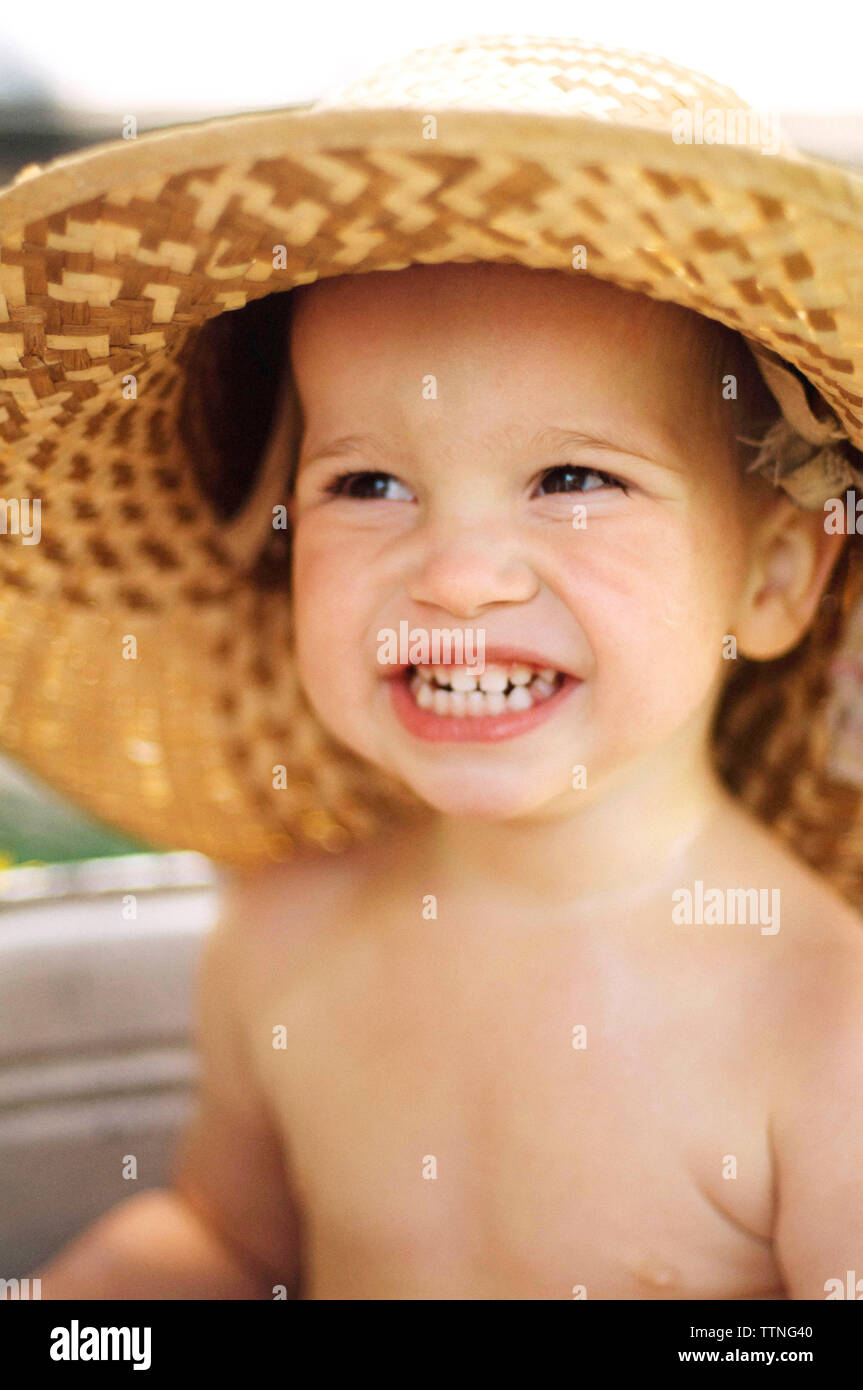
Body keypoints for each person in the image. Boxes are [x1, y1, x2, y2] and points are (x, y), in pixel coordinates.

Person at [7, 34, 863, 1299]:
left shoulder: (820, 1030)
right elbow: (229, 1242)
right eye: (366, 481)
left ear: (775, 578)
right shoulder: (282, 938)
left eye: (572, 479)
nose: (457, 577)